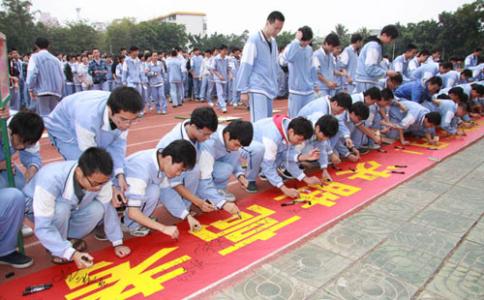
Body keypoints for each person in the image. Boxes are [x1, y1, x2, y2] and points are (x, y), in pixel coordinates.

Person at [23, 147, 130, 269]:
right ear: (79, 172)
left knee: (98, 209)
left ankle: (65, 240)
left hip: (72, 209)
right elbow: (42, 227)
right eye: (94, 184)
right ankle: (56, 248)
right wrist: (71, 254)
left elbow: (108, 209)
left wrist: (117, 242)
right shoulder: (49, 180)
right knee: (61, 209)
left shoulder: (100, 180)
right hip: (39, 211)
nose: (98, 188)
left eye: (103, 184)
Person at [44, 87, 143, 205]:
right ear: (111, 111)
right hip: (64, 129)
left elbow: (117, 146)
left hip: (89, 121)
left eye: (132, 121)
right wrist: (110, 187)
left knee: (111, 169)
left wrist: (119, 174)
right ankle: (77, 208)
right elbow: (91, 158)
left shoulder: (124, 112)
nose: (127, 125)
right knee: (89, 172)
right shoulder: (88, 117)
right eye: (124, 120)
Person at [122, 140, 197, 237]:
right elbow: (133, 212)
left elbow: (167, 194)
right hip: (115, 196)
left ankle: (141, 219)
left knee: (155, 190)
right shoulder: (142, 169)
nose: (178, 174)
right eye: (179, 170)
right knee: (153, 192)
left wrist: (187, 216)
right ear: (169, 159)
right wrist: (163, 228)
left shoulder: (161, 160)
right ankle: (129, 224)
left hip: (132, 190)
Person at [245, 116, 321, 199]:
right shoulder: (272, 138)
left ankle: (263, 171)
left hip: (266, 145)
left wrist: (305, 178)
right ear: (291, 132)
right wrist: (284, 189)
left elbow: (287, 155)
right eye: (299, 140)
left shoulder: (291, 128)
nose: (300, 143)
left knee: (279, 155)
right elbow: (268, 166)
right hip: (246, 143)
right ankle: (250, 179)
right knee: (260, 153)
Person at [237, 11, 285, 122]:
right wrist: (243, 90)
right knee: (259, 123)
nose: (277, 31)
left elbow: (274, 66)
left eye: (280, 29)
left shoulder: (273, 42)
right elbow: (246, 64)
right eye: (276, 28)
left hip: (269, 87)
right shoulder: (254, 40)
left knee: (267, 123)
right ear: (268, 23)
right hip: (257, 87)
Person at [199, 120, 254, 201]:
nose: (237, 148)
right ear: (227, 135)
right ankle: (202, 192)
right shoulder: (210, 142)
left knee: (227, 168)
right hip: (197, 166)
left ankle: (218, 189)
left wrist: (241, 176)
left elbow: (234, 161)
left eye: (240, 146)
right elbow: (204, 172)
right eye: (236, 145)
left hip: (211, 164)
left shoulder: (230, 137)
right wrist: (219, 201)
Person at [280, 26, 316, 117]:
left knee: (309, 117)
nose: (304, 43)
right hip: (296, 91)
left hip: (309, 91)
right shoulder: (292, 47)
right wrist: (296, 41)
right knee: (294, 118)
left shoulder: (309, 49)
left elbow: (312, 68)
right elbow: (286, 60)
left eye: (306, 41)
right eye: (302, 40)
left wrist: (314, 84)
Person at [26, 37, 64, 117]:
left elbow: (32, 74)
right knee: (53, 114)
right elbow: (62, 76)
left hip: (42, 90)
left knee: (43, 114)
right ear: (48, 45)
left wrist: (31, 88)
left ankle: (46, 129)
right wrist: (61, 90)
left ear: (36, 46)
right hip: (55, 90)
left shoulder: (35, 57)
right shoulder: (55, 59)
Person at [354, 25, 399, 92]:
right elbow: (370, 68)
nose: (391, 42)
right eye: (391, 39)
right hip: (365, 82)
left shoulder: (376, 45)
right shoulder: (374, 46)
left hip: (367, 81)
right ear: (384, 35)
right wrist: (386, 72)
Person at [210, 44, 231, 113]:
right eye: (224, 50)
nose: (225, 52)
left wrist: (229, 75)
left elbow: (228, 68)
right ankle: (223, 106)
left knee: (223, 92)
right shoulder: (215, 58)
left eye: (226, 50)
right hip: (218, 78)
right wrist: (219, 76)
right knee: (220, 92)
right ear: (220, 51)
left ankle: (219, 104)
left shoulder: (227, 59)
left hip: (224, 78)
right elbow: (213, 69)